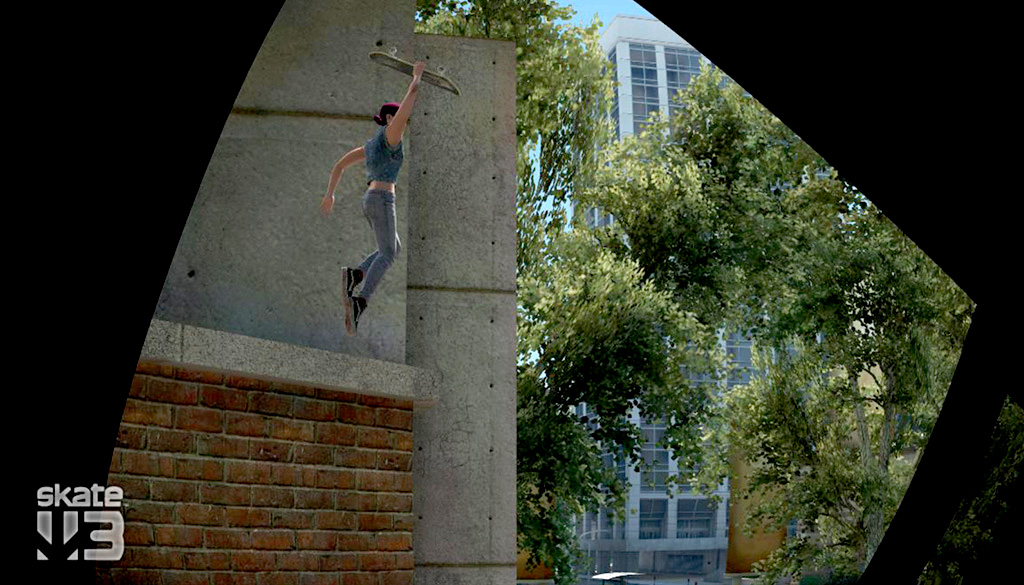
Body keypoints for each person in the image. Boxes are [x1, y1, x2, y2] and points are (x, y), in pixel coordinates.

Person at [321, 60, 426, 335]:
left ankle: (354, 276)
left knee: (391, 249)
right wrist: (416, 78)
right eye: (398, 119)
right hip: (382, 199)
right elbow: (409, 101)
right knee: (389, 254)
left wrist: (330, 194)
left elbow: (340, 165)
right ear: (390, 120)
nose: (402, 125)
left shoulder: (370, 146)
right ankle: (360, 301)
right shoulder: (391, 136)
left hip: (371, 199)